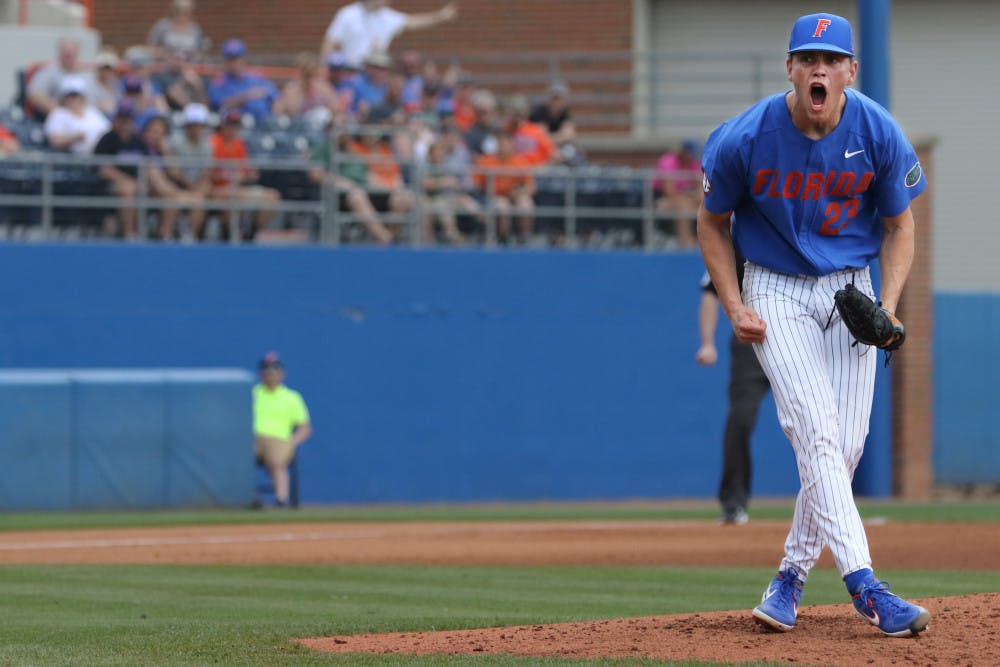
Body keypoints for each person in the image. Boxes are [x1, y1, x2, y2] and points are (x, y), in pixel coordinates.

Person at [696, 12, 930, 637]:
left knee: (844, 449)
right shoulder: (747, 136)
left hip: (851, 289)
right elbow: (711, 221)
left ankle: (789, 580)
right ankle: (868, 588)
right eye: (806, 58)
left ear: (850, 71)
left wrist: (889, 301)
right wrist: (734, 301)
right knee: (817, 434)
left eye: (830, 58)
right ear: (791, 70)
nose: (817, 67)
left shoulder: (876, 129)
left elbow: (900, 224)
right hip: (774, 288)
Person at [695, 250, 770, 525]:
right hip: (751, 344)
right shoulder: (738, 240)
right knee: (740, 419)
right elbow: (710, 290)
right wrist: (707, 342)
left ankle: (828, 499)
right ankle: (734, 503)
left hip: (801, 340)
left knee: (814, 422)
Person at [209, 107, 282, 240]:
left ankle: (251, 235)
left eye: (236, 125)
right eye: (230, 124)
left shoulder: (238, 144)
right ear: (222, 125)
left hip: (237, 187)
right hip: (215, 188)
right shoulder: (213, 142)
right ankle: (228, 235)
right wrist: (233, 176)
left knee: (272, 196)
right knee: (236, 197)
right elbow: (208, 174)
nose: (233, 129)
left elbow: (243, 170)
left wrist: (249, 174)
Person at [320, 0, 458, 68]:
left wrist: (440, 16)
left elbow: (412, 22)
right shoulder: (347, 14)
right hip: (351, 71)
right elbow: (330, 41)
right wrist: (323, 67)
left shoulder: (387, 16)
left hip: (377, 71)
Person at [253, 352, 311, 509]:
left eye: (274, 369)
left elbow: (305, 427)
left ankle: (281, 500)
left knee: (277, 461)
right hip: (253, 439)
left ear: (282, 373)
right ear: (261, 373)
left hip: (280, 440)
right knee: (238, 459)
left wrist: (292, 442)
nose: (270, 373)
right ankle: (247, 498)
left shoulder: (292, 397)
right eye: (267, 369)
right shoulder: (253, 394)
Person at [473, 129, 535, 243]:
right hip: (493, 196)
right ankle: (503, 238)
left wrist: (519, 193)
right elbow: (475, 185)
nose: (504, 145)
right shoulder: (486, 161)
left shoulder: (521, 161)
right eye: (501, 142)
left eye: (507, 142)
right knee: (503, 206)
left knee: (526, 204)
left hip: (515, 196)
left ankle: (525, 238)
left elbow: (531, 187)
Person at [27, 37, 101, 120]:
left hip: (87, 117)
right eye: (65, 52)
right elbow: (36, 94)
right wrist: (61, 113)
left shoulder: (86, 73)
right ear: (59, 52)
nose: (68, 55)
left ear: (77, 53)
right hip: (59, 119)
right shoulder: (48, 71)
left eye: (71, 52)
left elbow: (95, 96)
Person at [208, 39, 279, 123]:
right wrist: (246, 97)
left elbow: (276, 98)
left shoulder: (256, 78)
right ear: (225, 61)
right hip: (236, 125)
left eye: (236, 58)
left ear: (243, 59)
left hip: (264, 123)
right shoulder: (219, 81)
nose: (234, 63)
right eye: (230, 59)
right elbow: (220, 105)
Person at [43, 75, 111, 155]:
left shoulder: (92, 111)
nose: (72, 99)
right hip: (73, 159)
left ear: (81, 97)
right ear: (63, 97)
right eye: (69, 95)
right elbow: (55, 140)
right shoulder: (58, 113)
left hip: (99, 155)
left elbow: (108, 130)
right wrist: (74, 138)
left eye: (75, 95)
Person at [654, 139, 701, 249]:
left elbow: (701, 190)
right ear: (682, 152)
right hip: (661, 200)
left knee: (708, 205)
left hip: (688, 198)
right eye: (689, 154)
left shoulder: (695, 162)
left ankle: (704, 242)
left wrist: (692, 196)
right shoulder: (668, 161)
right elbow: (670, 192)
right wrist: (690, 195)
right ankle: (687, 244)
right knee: (683, 206)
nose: (691, 158)